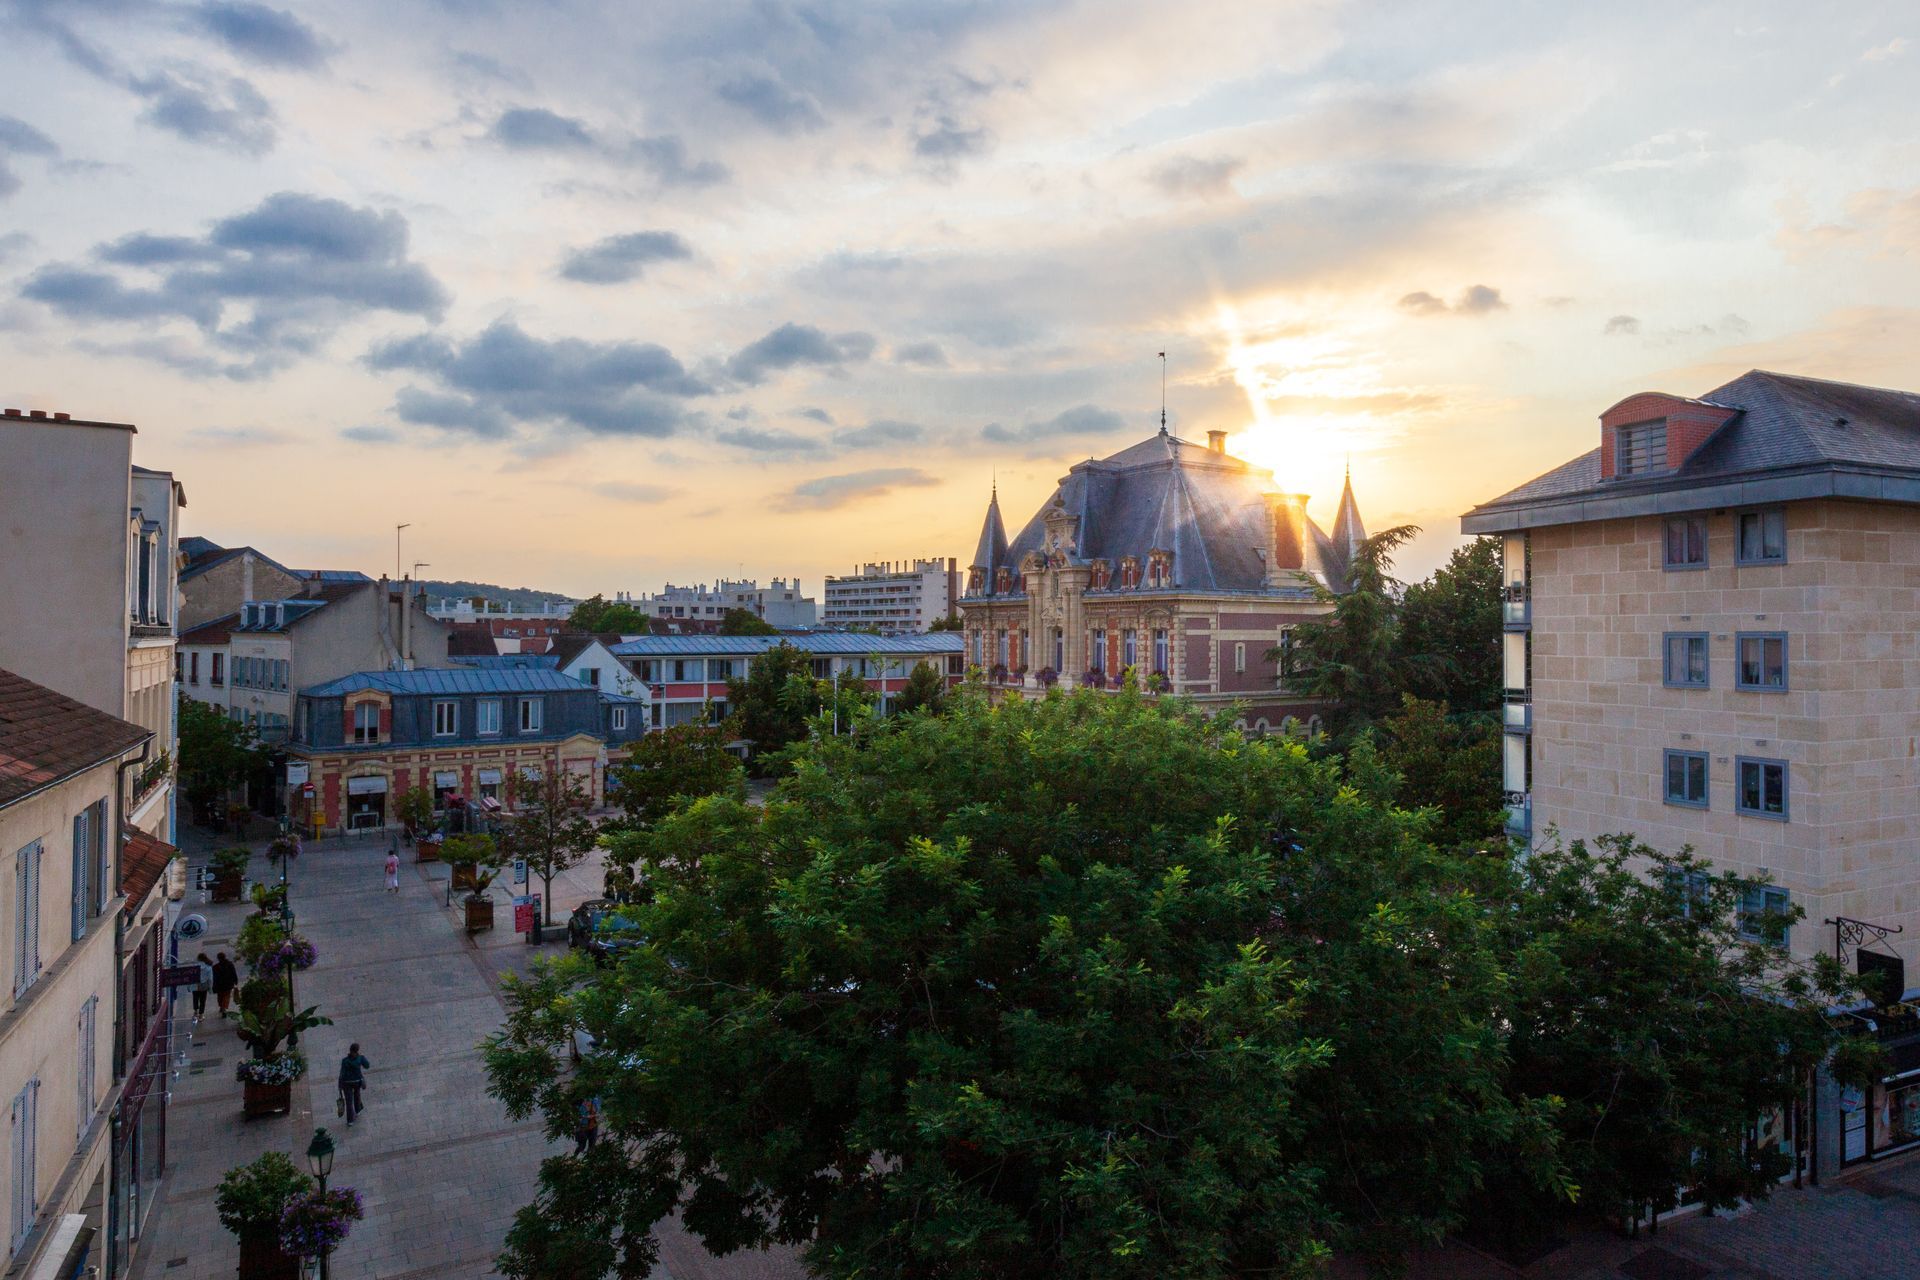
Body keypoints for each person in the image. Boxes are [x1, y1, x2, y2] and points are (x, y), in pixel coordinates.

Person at [338, 1044, 371, 1126]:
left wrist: (340, 1085)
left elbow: (342, 1073)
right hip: (357, 1081)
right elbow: (367, 1066)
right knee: (357, 1095)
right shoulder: (360, 1058)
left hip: (346, 1082)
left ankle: (350, 1120)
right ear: (357, 1050)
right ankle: (358, 1110)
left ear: (350, 1050)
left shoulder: (345, 1060)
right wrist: (363, 1057)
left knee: (349, 1101)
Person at [211, 952, 239, 1018]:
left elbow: (214, 977)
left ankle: (222, 1007)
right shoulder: (230, 964)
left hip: (219, 985)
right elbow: (233, 973)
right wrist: (236, 981)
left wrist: (214, 985)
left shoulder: (215, 967)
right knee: (226, 996)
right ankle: (223, 1008)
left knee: (220, 996)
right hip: (228, 984)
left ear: (218, 958)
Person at [190, 952, 214, 1021]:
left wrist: (189, 987)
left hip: (195, 984)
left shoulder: (194, 966)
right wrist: (210, 988)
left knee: (195, 999)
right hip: (204, 985)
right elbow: (210, 979)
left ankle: (195, 1012)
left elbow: (190, 976)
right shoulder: (208, 967)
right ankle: (201, 1015)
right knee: (202, 1000)